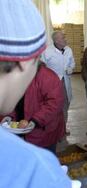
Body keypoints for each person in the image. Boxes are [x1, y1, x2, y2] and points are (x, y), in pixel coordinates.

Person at [0, 0, 72, 187]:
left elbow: (54, 103)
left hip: (41, 134)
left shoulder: (48, 78)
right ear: (25, 62)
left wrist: (33, 121)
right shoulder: (38, 169)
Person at [1, 63, 66, 153]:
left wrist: (36, 120)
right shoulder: (15, 75)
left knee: (44, 162)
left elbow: (54, 103)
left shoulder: (47, 76)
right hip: (20, 130)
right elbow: (11, 98)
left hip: (43, 132)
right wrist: (9, 116)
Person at [41, 31, 75, 134]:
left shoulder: (68, 50)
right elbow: (42, 67)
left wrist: (70, 69)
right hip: (51, 84)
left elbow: (72, 63)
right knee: (52, 105)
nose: (65, 38)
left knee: (65, 104)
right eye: (63, 37)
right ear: (56, 40)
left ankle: (63, 127)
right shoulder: (47, 51)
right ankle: (53, 128)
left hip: (65, 82)